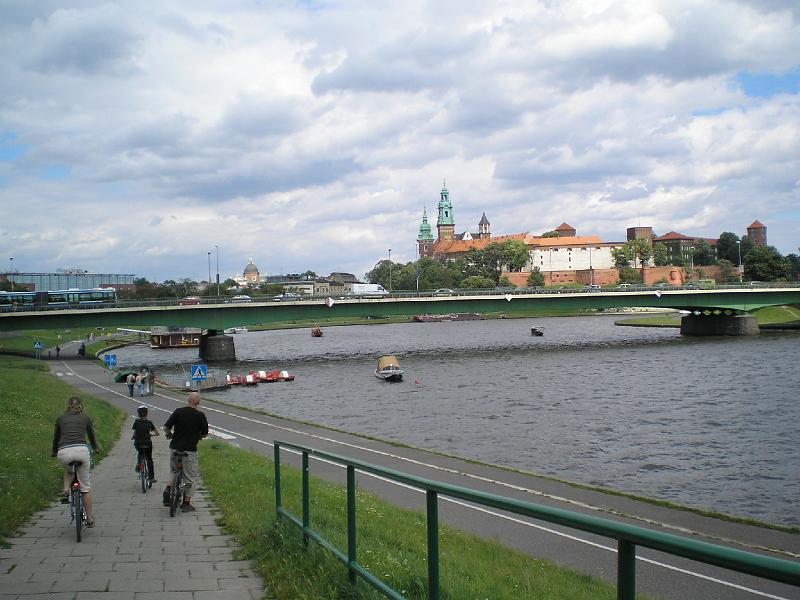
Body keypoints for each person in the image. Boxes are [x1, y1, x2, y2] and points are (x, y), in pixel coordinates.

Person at [51, 396, 99, 527]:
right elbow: (91, 436)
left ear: (67, 406)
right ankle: (90, 518)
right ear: (81, 406)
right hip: (81, 451)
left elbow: (56, 438)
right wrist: (95, 448)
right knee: (85, 488)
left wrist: (54, 452)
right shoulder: (86, 418)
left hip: (64, 452)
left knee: (69, 470)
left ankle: (66, 490)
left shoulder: (60, 419)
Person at [162, 392, 208, 511]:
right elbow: (205, 433)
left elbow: (166, 427)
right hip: (189, 450)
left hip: (175, 447)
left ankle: (168, 489)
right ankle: (186, 503)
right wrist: (198, 437)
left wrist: (169, 434)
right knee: (190, 476)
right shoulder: (200, 416)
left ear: (188, 400)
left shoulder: (178, 412)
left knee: (173, 470)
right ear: (198, 403)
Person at [132, 406, 159, 483]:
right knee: (149, 459)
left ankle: (139, 464)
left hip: (138, 443)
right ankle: (151, 478)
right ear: (147, 413)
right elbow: (157, 432)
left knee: (140, 452)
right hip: (147, 443)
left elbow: (135, 432)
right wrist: (154, 434)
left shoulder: (136, 422)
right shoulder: (149, 423)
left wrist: (133, 437)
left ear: (138, 414)